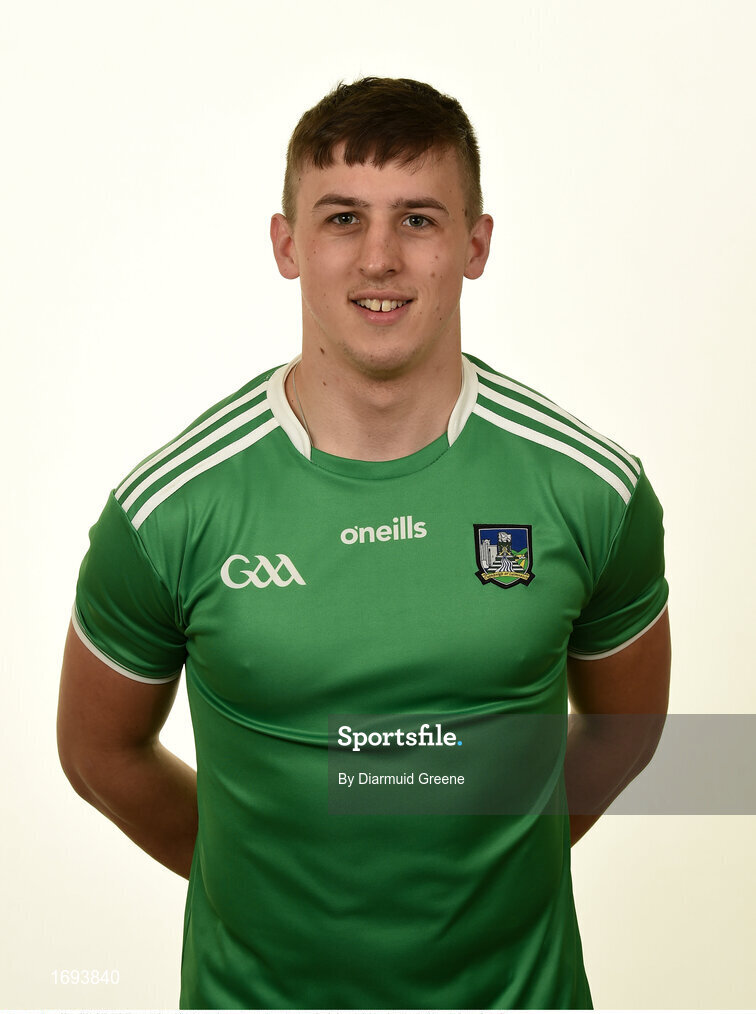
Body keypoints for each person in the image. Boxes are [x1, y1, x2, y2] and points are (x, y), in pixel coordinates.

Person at [57, 77, 671, 1009]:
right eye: (343, 217)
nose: (378, 258)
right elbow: (98, 755)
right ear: (287, 244)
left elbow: (628, 734)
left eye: (418, 220)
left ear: (475, 245)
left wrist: (497, 868)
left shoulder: (591, 490)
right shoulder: (167, 513)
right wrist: (259, 892)